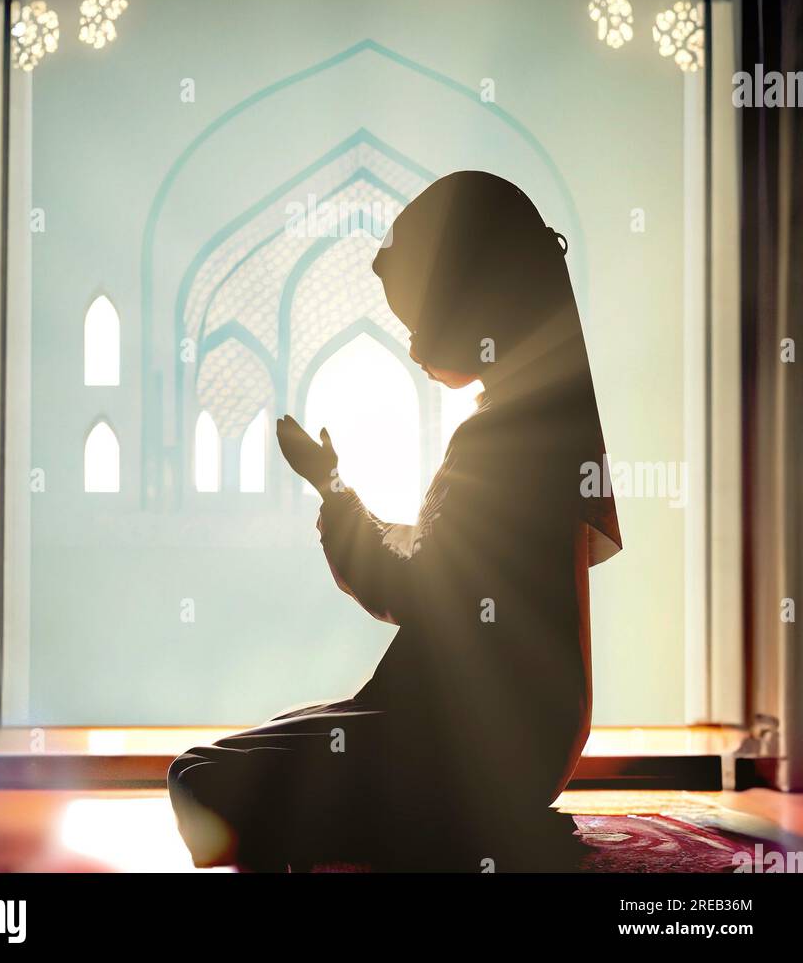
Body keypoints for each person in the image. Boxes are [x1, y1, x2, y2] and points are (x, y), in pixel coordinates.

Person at [168, 171, 621, 872]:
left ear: (476, 303)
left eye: (421, 323)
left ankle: (434, 834)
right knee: (286, 734)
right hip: (531, 744)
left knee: (199, 776)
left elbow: (407, 590)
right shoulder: (546, 423)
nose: (414, 348)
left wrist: (330, 487)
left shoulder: (502, 437)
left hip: (470, 753)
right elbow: (441, 571)